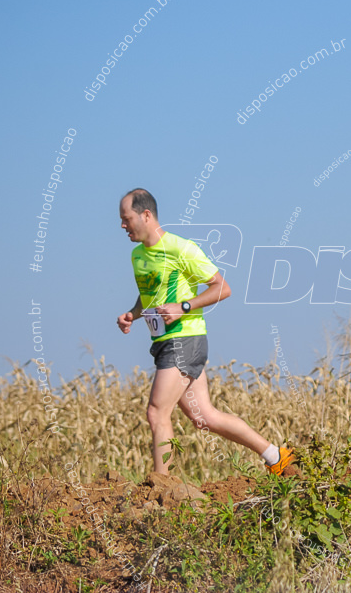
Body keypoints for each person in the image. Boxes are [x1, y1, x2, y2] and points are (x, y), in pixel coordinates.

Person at [115, 188, 294, 475]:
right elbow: (149, 293)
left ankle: (164, 488)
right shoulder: (138, 255)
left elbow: (222, 287)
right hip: (163, 341)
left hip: (185, 339)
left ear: (146, 215)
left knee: (156, 412)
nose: (123, 225)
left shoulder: (181, 248)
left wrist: (183, 306)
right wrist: (132, 315)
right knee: (205, 417)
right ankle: (277, 456)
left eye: (126, 218)